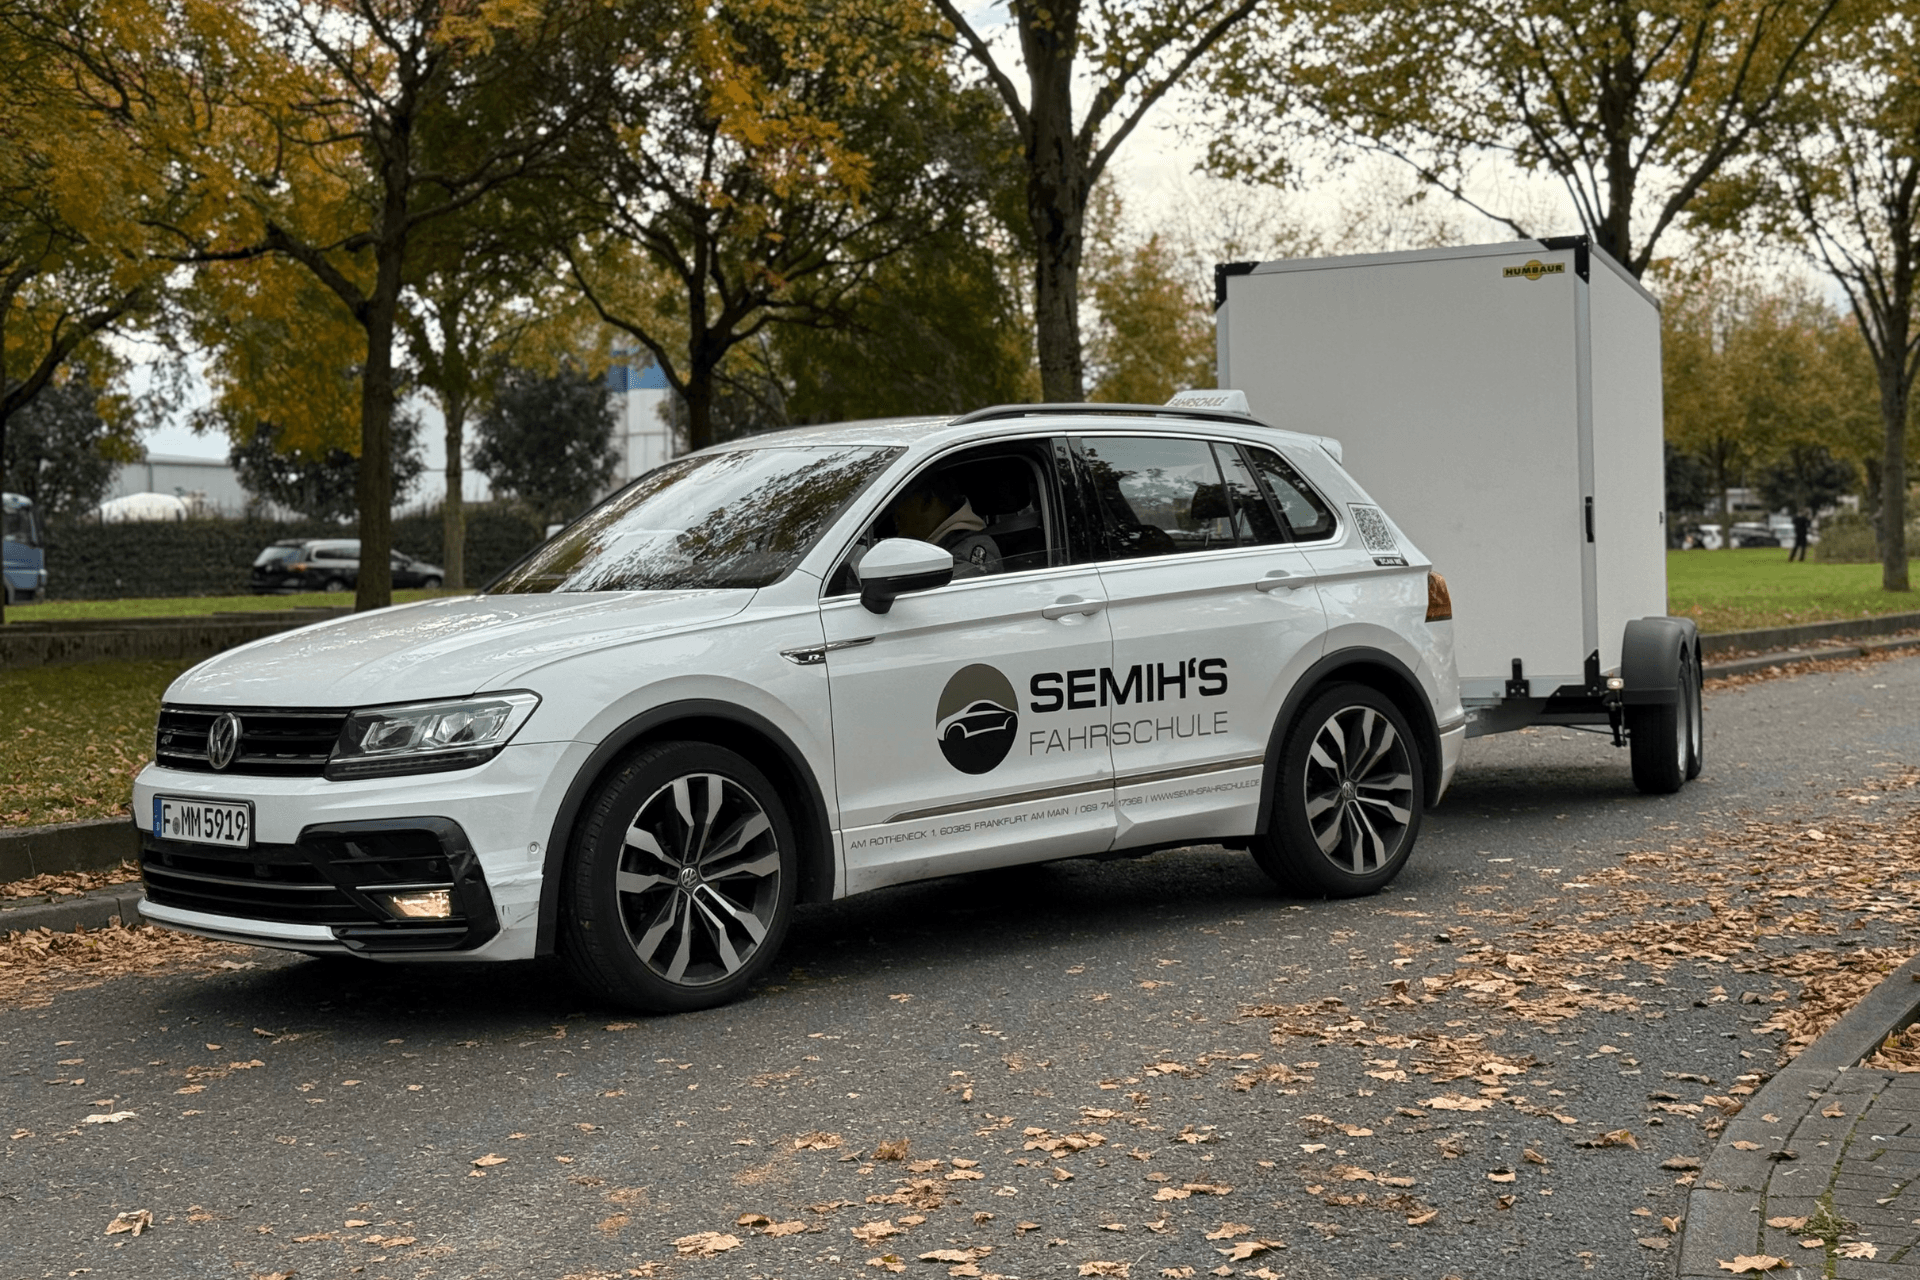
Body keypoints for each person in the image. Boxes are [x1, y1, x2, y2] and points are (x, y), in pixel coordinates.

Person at [887, 474, 1002, 578]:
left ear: (928, 501)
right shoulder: (946, 545)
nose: (894, 514)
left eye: (900, 502)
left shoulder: (975, 548)